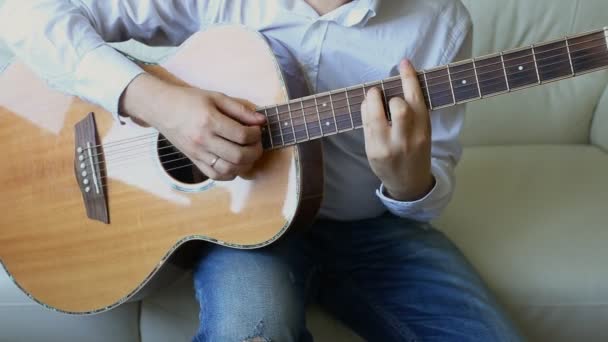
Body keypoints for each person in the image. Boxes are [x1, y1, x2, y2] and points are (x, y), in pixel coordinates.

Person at [0, 0, 522, 341]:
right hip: (247, 236)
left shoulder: (440, 21)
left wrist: (405, 178)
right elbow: (26, 14)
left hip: (374, 233)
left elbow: (433, 184)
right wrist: (157, 104)